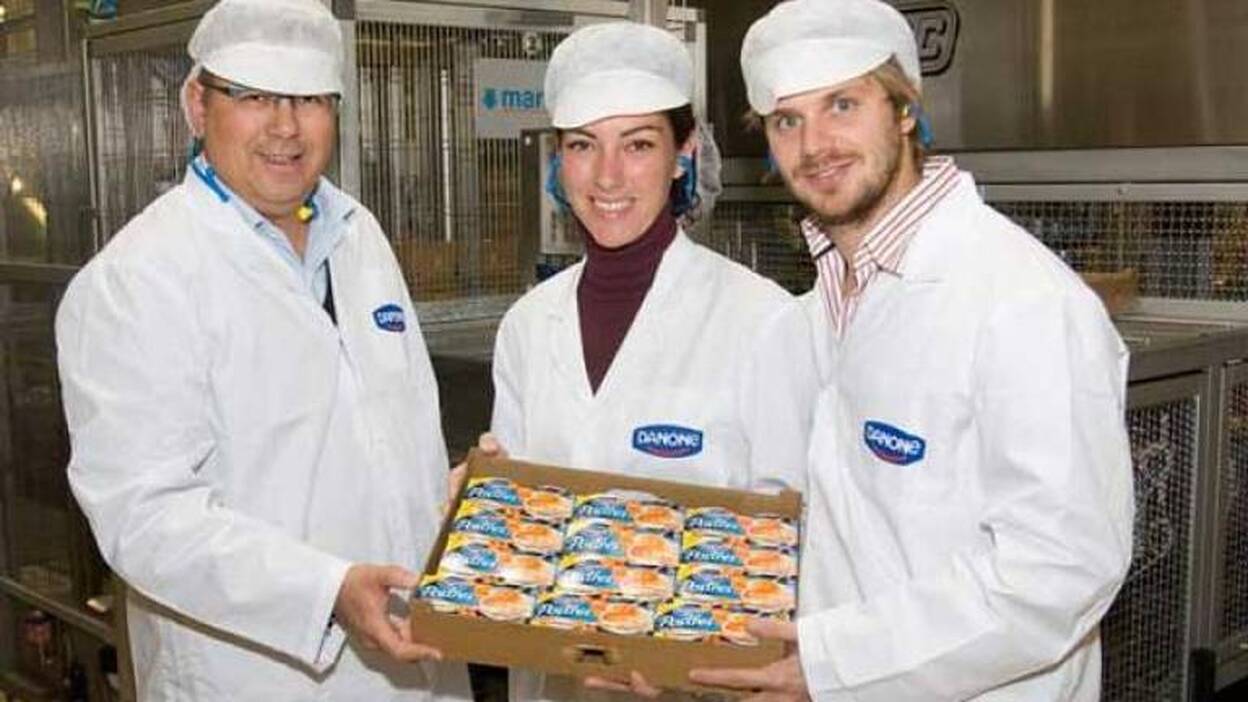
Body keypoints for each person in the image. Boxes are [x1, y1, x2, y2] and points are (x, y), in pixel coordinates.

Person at [687, 1, 1136, 700]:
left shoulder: (1023, 302)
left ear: (904, 110)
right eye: (786, 121)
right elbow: (788, 534)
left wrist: (836, 663)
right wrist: (671, 644)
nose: (814, 145)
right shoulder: (807, 321)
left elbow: (1059, 571)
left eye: (842, 105)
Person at [55, 0, 471, 699]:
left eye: (309, 98)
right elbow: (145, 518)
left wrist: (453, 494)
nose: (285, 127)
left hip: (414, 656)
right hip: (256, 674)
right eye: (253, 96)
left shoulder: (359, 234)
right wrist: (326, 590)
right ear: (197, 104)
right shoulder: (136, 280)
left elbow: (381, 434)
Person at [482, 20, 815, 702]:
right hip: (554, 678)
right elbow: (518, 533)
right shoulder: (527, 326)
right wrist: (485, 497)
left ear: (683, 154)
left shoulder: (764, 320)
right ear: (558, 158)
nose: (607, 176)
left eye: (638, 144)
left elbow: (791, 538)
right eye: (583, 145)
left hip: (701, 683)